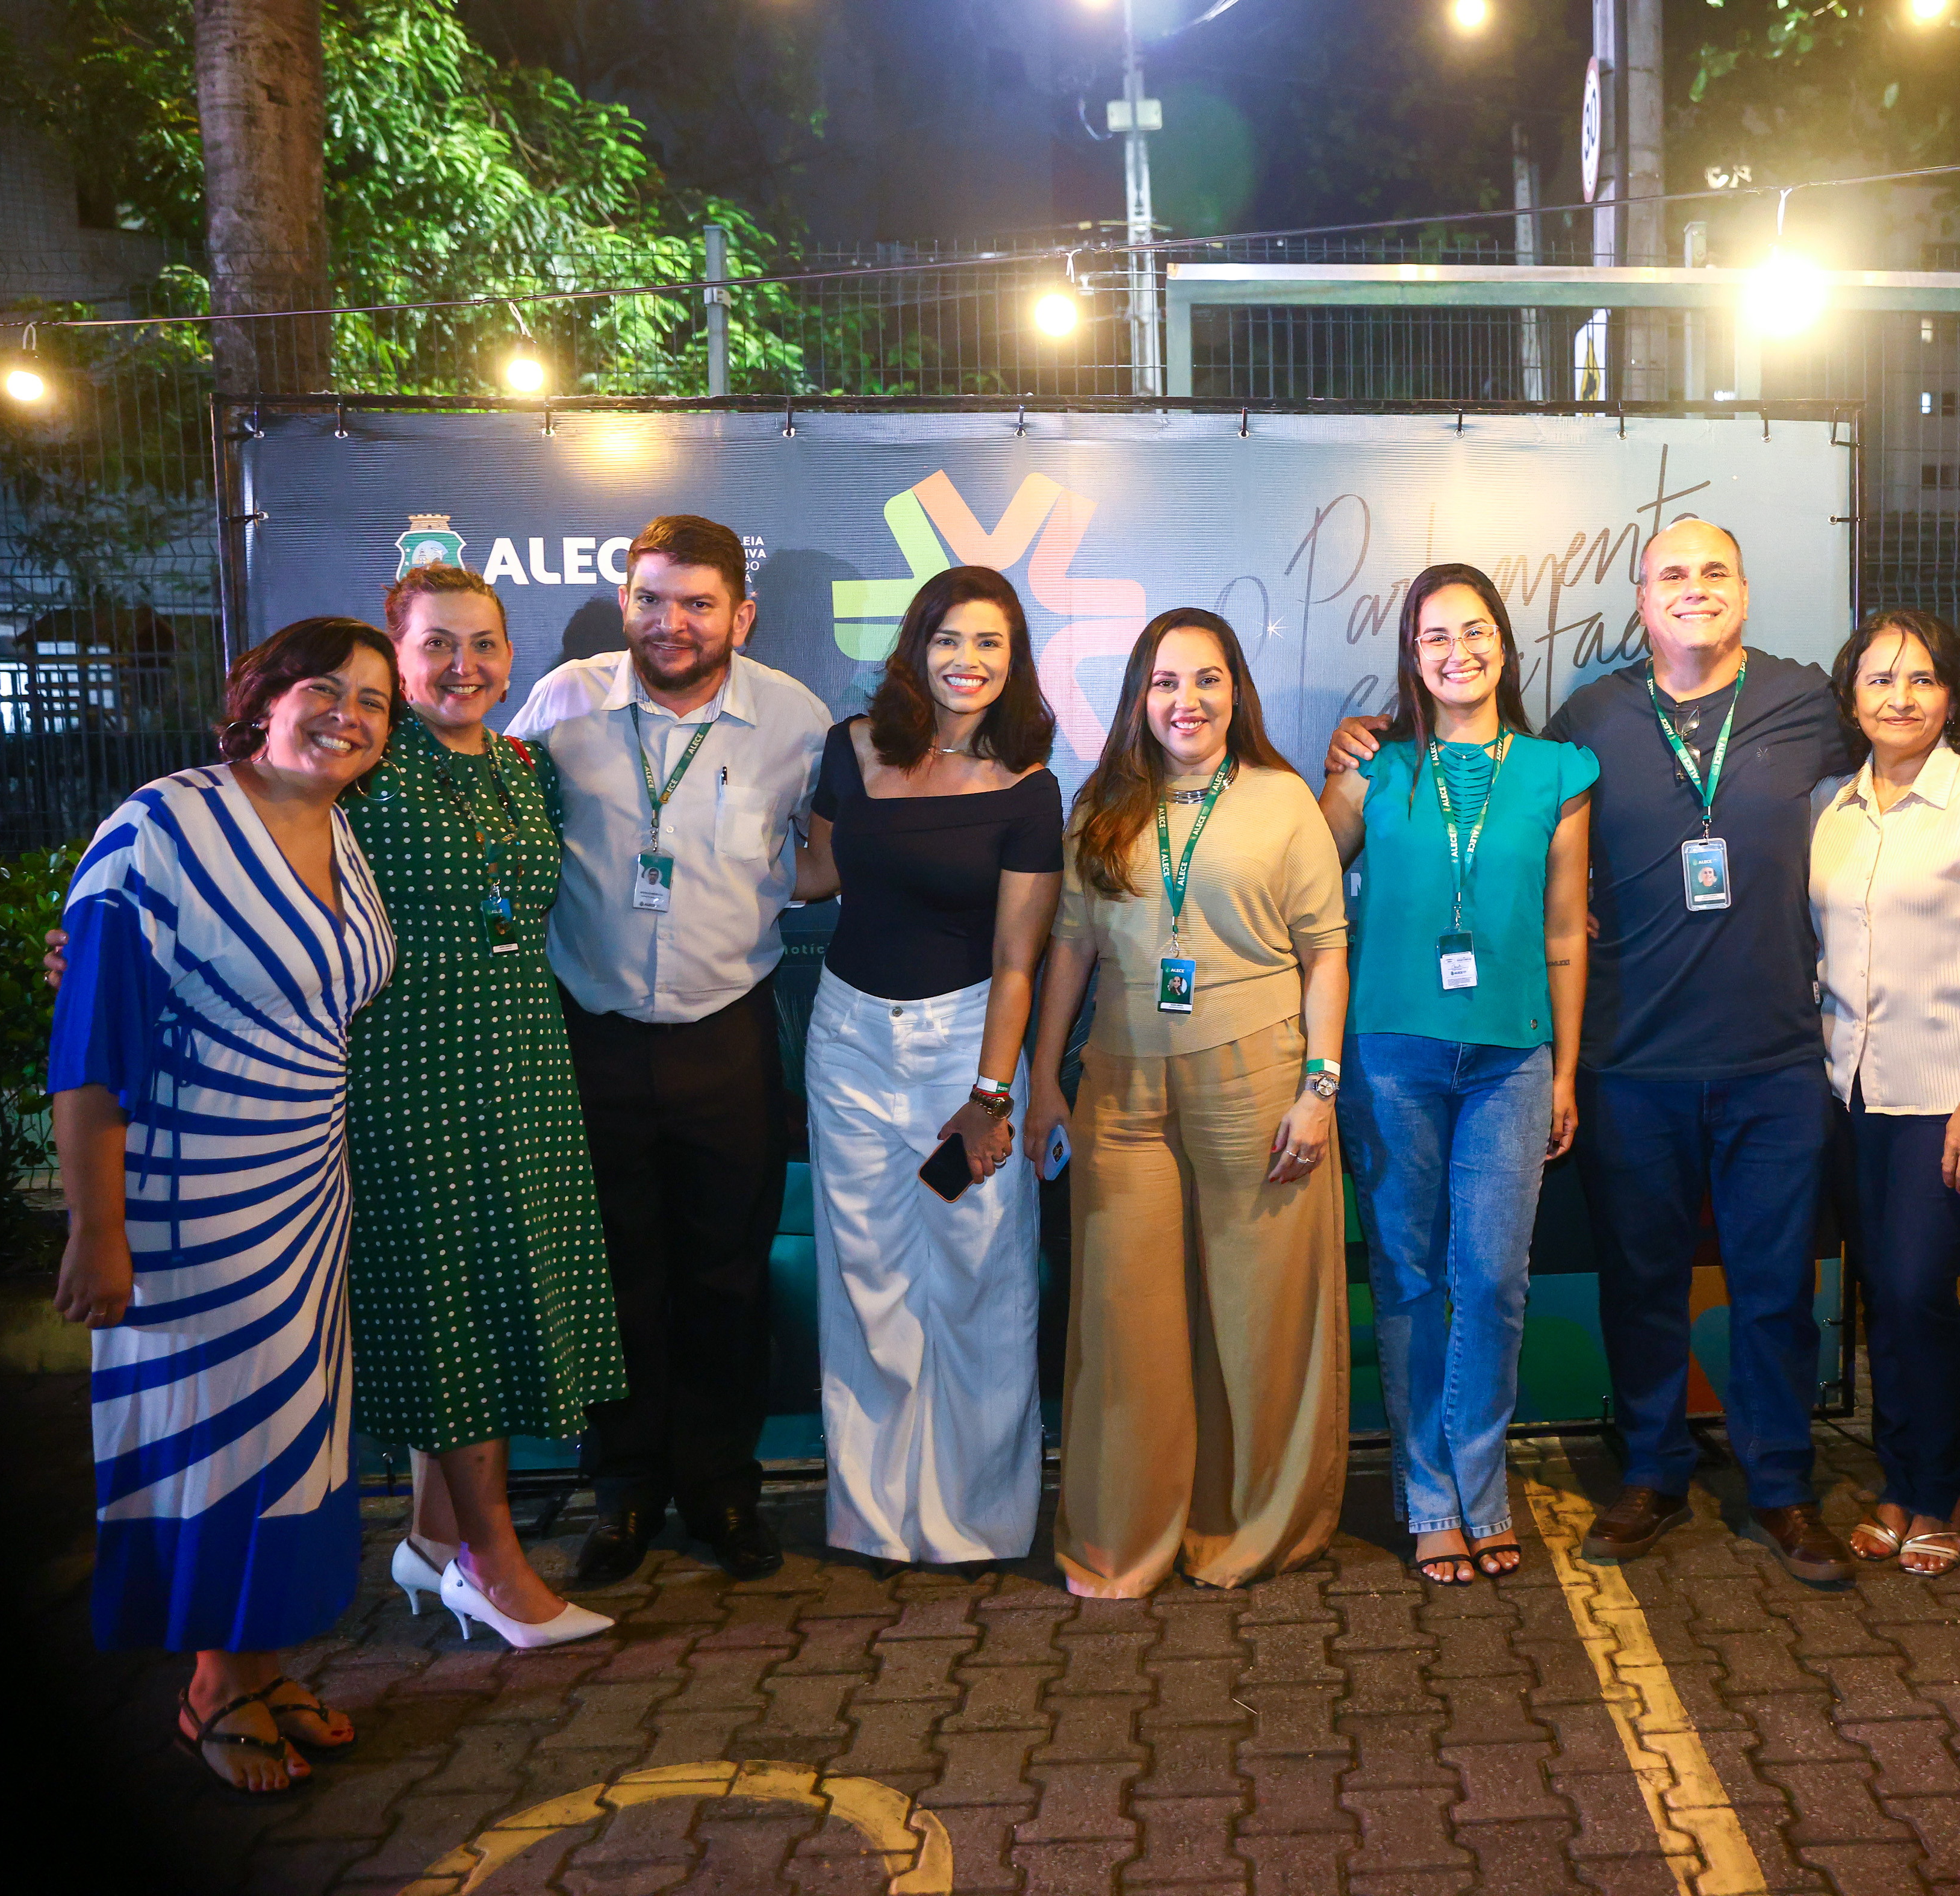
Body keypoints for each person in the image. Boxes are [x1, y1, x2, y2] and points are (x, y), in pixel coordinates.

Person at [1328, 520, 1960, 1588]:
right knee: (1642, 1282)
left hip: (1777, 1060)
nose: (1693, 588)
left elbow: (1908, 732)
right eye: (1672, 573)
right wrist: (1367, 737)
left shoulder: (1809, 701)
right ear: (1642, 597)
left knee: (1774, 1288)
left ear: (1744, 590)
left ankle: (1782, 1484)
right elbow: (1487, 776)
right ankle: (1652, 1469)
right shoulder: (1590, 718)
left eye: (1714, 571)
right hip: (1631, 1056)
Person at [48, 618, 399, 1794]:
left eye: (373, 701)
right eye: (325, 688)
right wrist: (97, 1227)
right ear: (262, 696)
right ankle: (211, 1686)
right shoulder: (163, 824)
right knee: (215, 1442)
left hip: (304, 1190)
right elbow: (90, 1041)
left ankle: (260, 1661)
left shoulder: (339, 831)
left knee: (294, 1440)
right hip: (190, 1201)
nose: (349, 714)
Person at [506, 514, 833, 1585]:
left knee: (727, 1275)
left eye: (698, 603)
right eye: (651, 599)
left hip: (727, 1033)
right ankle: (626, 1488)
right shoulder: (562, 703)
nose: (672, 622)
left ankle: (723, 1487)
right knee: (616, 1274)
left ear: (742, 614)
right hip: (589, 1033)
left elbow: (826, 860)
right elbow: (495, 830)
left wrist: (765, 888)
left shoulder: (794, 719)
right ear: (625, 603)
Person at [1027, 608, 1351, 1598]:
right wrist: (1043, 1078)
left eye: (1208, 679)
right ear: (1140, 696)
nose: (1188, 701)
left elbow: (1326, 951)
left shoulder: (1283, 800)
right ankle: (1123, 1538)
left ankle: (1254, 1527)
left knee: (1261, 1318)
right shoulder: (1101, 804)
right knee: (1124, 1323)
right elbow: (1070, 949)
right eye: (1167, 682)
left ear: (1236, 691)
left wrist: (1319, 1089)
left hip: (1260, 1078)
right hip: (1121, 1085)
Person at [355, 564, 623, 1647]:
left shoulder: (525, 767)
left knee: (493, 1292)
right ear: (397, 658)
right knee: (445, 1302)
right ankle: (492, 1563)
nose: (462, 666)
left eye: (483, 645)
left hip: (522, 1062)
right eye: (437, 645)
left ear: (511, 660)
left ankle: (430, 1536)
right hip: (411, 1067)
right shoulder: (361, 766)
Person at [1320, 563, 1596, 1587]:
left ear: (1504, 645)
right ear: (1412, 654)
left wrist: (1565, 1069)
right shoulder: (1375, 768)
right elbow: (1302, 887)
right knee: (1408, 1278)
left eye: (1475, 630)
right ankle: (1431, 1498)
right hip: (1388, 1052)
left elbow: (1564, 933)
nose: (1457, 651)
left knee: (1490, 1280)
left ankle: (1481, 1487)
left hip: (1512, 1061)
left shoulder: (1560, 772)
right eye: (1434, 635)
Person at [789, 567, 1063, 1567]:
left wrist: (991, 1096)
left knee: (977, 1276)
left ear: (1014, 660)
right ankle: (873, 1518)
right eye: (949, 639)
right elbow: (818, 872)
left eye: (990, 643)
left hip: (965, 1048)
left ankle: (978, 1521)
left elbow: (1019, 960)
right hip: (849, 1040)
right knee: (865, 1277)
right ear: (917, 647)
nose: (968, 661)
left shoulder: (1029, 788)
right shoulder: (850, 748)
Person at [1809, 612, 1960, 1577]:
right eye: (1880, 679)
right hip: (1852, 1083)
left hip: (1956, 1085)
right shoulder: (1831, 806)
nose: (1900, 697)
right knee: (1883, 1289)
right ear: (1851, 698)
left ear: (1953, 695)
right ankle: (1899, 1476)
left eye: (1922, 679)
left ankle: (1944, 1484)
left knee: (1917, 1285)